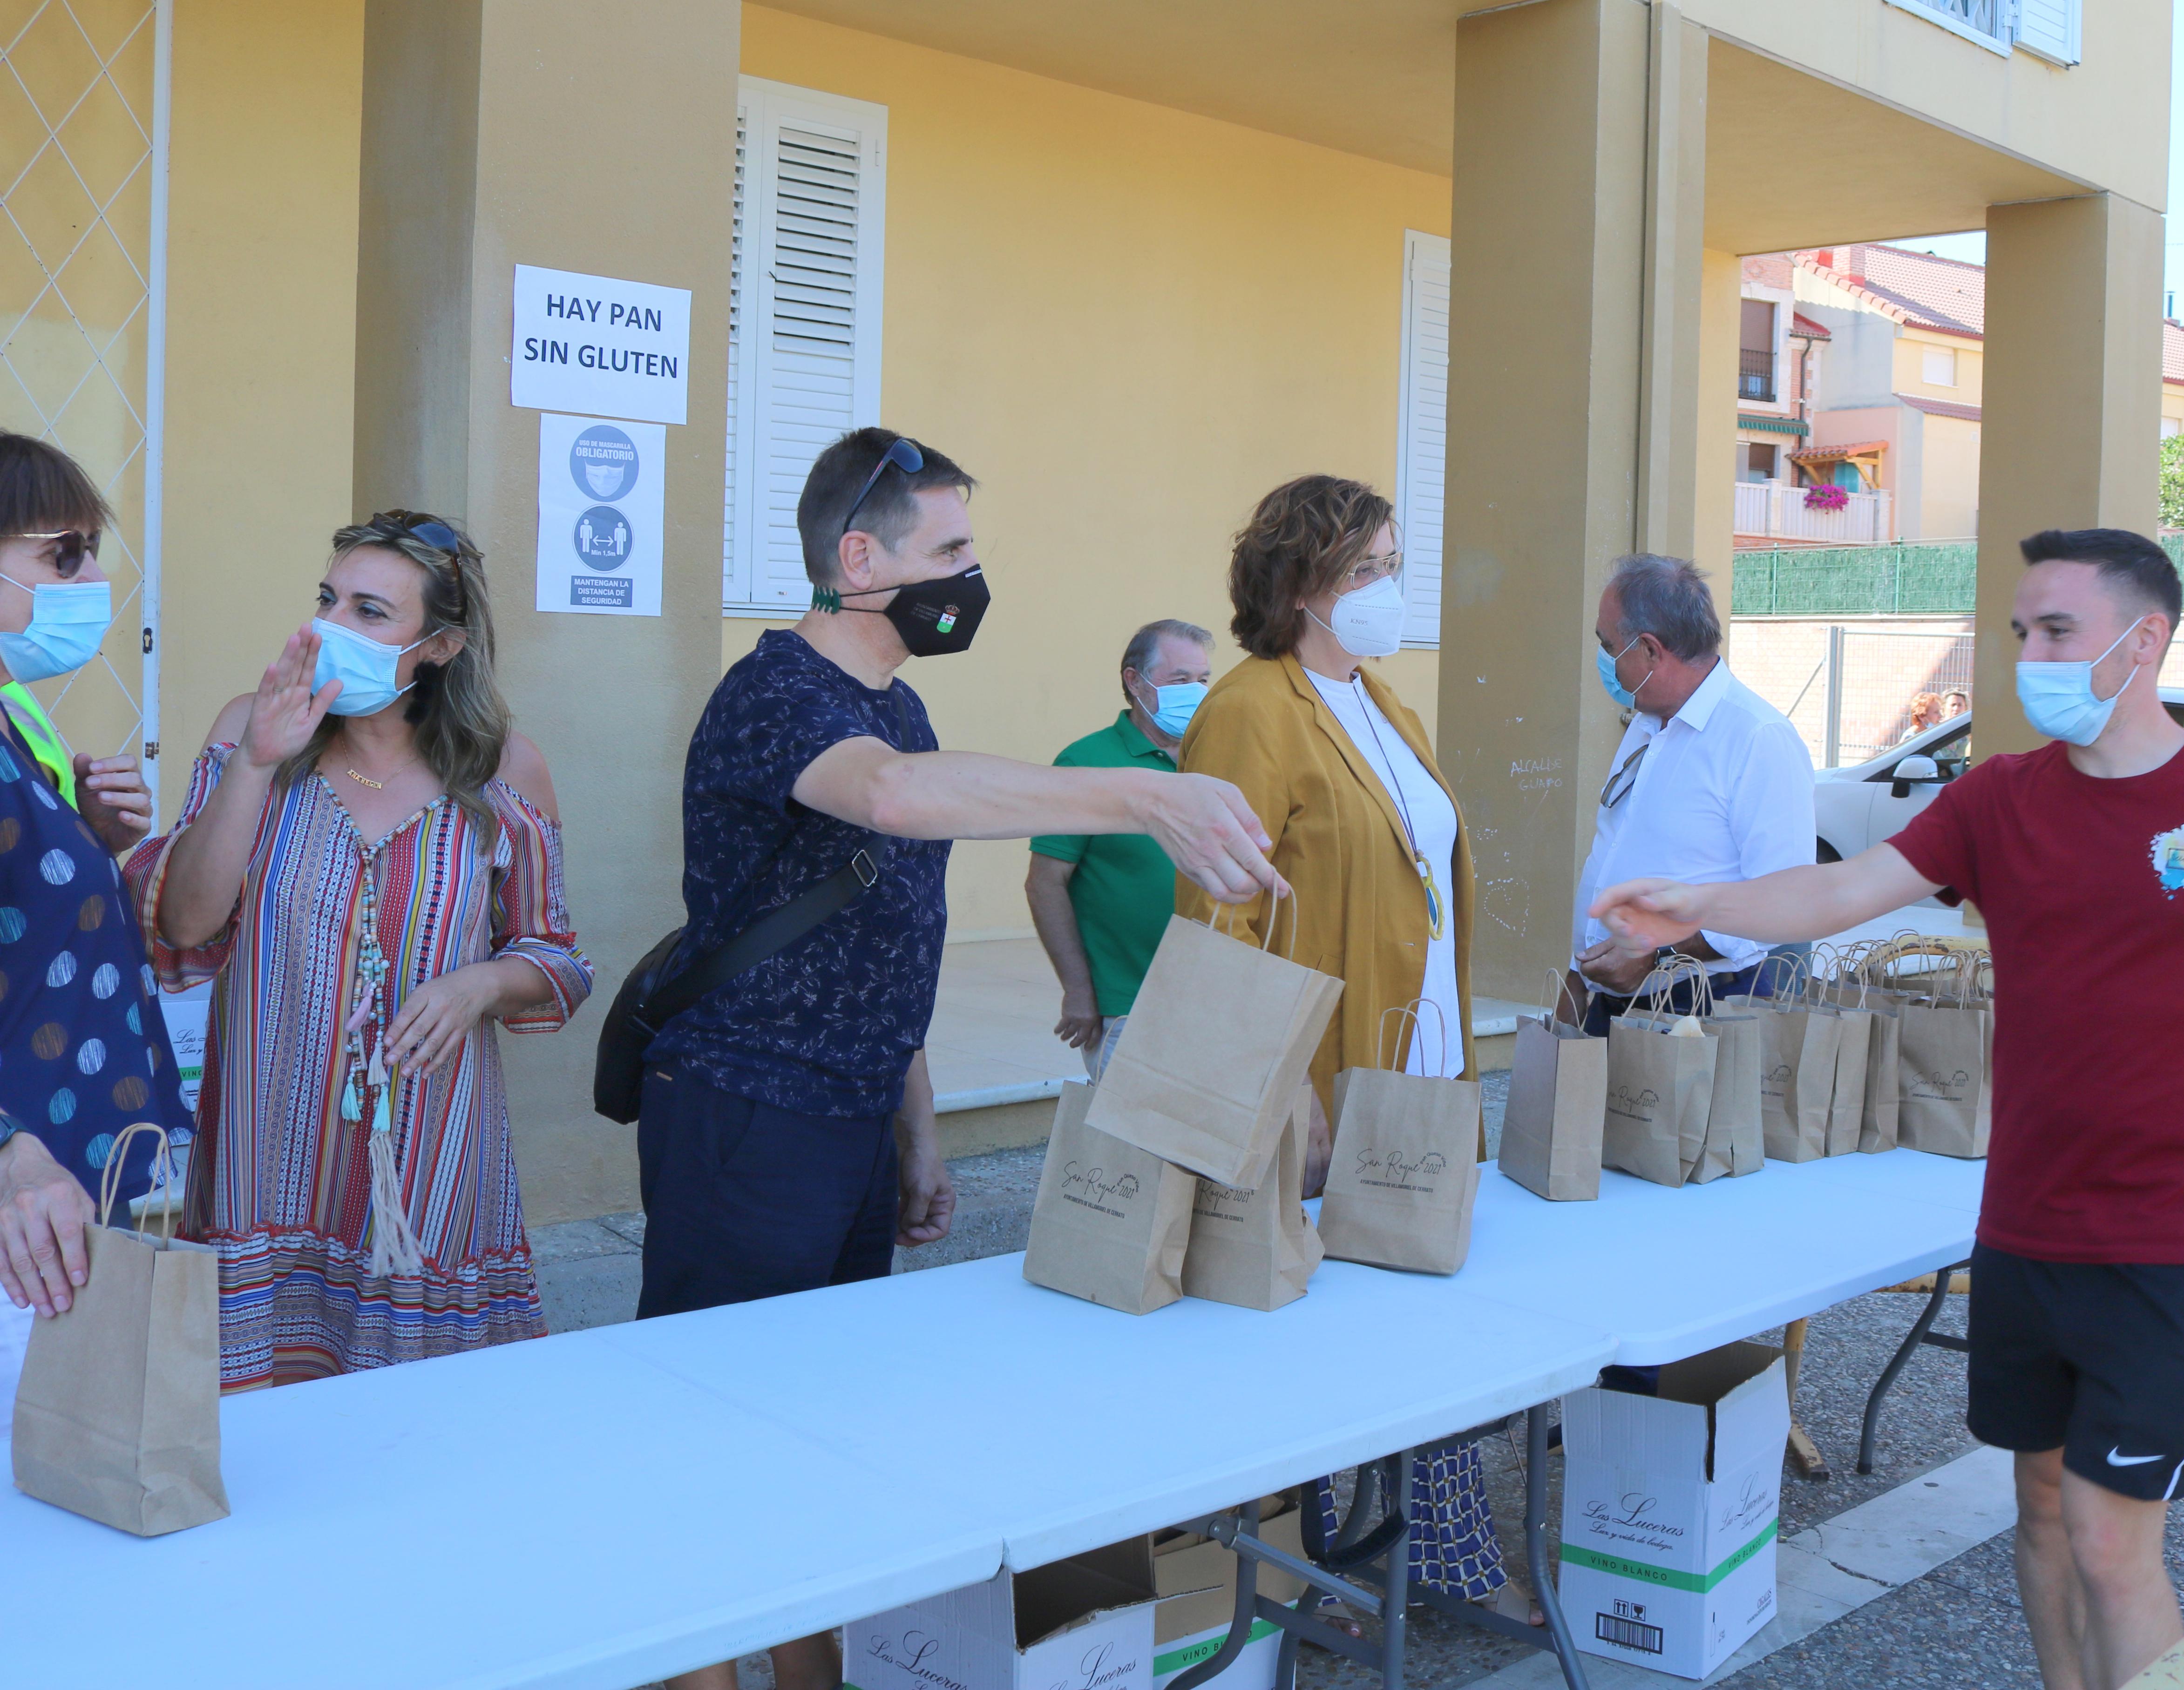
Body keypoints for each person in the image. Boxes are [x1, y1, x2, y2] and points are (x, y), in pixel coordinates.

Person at [1593, 527, 2184, 1690]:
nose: (2031, 654)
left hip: (2168, 1239)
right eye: (2022, 631)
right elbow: (1838, 887)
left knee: (2115, 1539)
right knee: (2037, 1510)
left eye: (2056, 630)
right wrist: (1697, 903)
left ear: (2144, 638)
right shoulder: (2000, 799)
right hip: (2023, 1228)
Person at [638, 429, 1277, 1690]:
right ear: (860, 558)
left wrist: (916, 1127)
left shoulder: (898, 702)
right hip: (746, 1117)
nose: (972, 577)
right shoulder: (778, 696)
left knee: (820, 1422)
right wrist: (1141, 797)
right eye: (953, 552)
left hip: (852, 1118)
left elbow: (892, 935)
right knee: (719, 1430)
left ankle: (808, 1671)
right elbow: (893, 800)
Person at [1173, 474, 1529, 1623]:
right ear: (1301, 584)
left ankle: (1445, 1545)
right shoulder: (1249, 706)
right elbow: (1221, 916)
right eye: (1368, 568)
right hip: (1325, 1073)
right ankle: (1310, 1571)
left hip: (1417, 1060)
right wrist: (1281, 1092)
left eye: (1391, 563)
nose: (1390, 588)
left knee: (1427, 1309)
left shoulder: (1386, 704)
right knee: (1317, 1326)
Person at [127, 513, 589, 1390]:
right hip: (264, 1156)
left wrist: (484, 981)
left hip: (429, 1154)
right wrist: (258, 763)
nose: (333, 629)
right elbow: (185, 923)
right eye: (327, 601)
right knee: (258, 1436)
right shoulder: (248, 736)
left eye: (372, 612)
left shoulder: (507, 771)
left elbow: (557, 955)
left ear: (441, 645)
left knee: (412, 1431)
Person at [0, 433, 177, 1419]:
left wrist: (92, 838)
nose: (93, 578)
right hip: (20, 1198)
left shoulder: (16, 710)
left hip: (61, 1183)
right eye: (62, 554)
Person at [1567, 554, 1813, 1033]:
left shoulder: (1758, 738)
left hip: (1702, 1011)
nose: (1603, 658)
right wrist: (1577, 992)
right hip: (1612, 999)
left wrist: (1657, 955)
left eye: (1608, 644)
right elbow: (1615, 850)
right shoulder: (1648, 722)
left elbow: (1784, 904)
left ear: (1652, 651)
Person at [1026, 619, 1214, 1074]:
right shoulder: (1085, 763)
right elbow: (1045, 883)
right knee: (1136, 1145)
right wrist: (1078, 990)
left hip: (1215, 998)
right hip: (1128, 1007)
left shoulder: (1215, 756)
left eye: (1204, 681)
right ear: (1135, 681)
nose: (1196, 692)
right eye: (1180, 680)